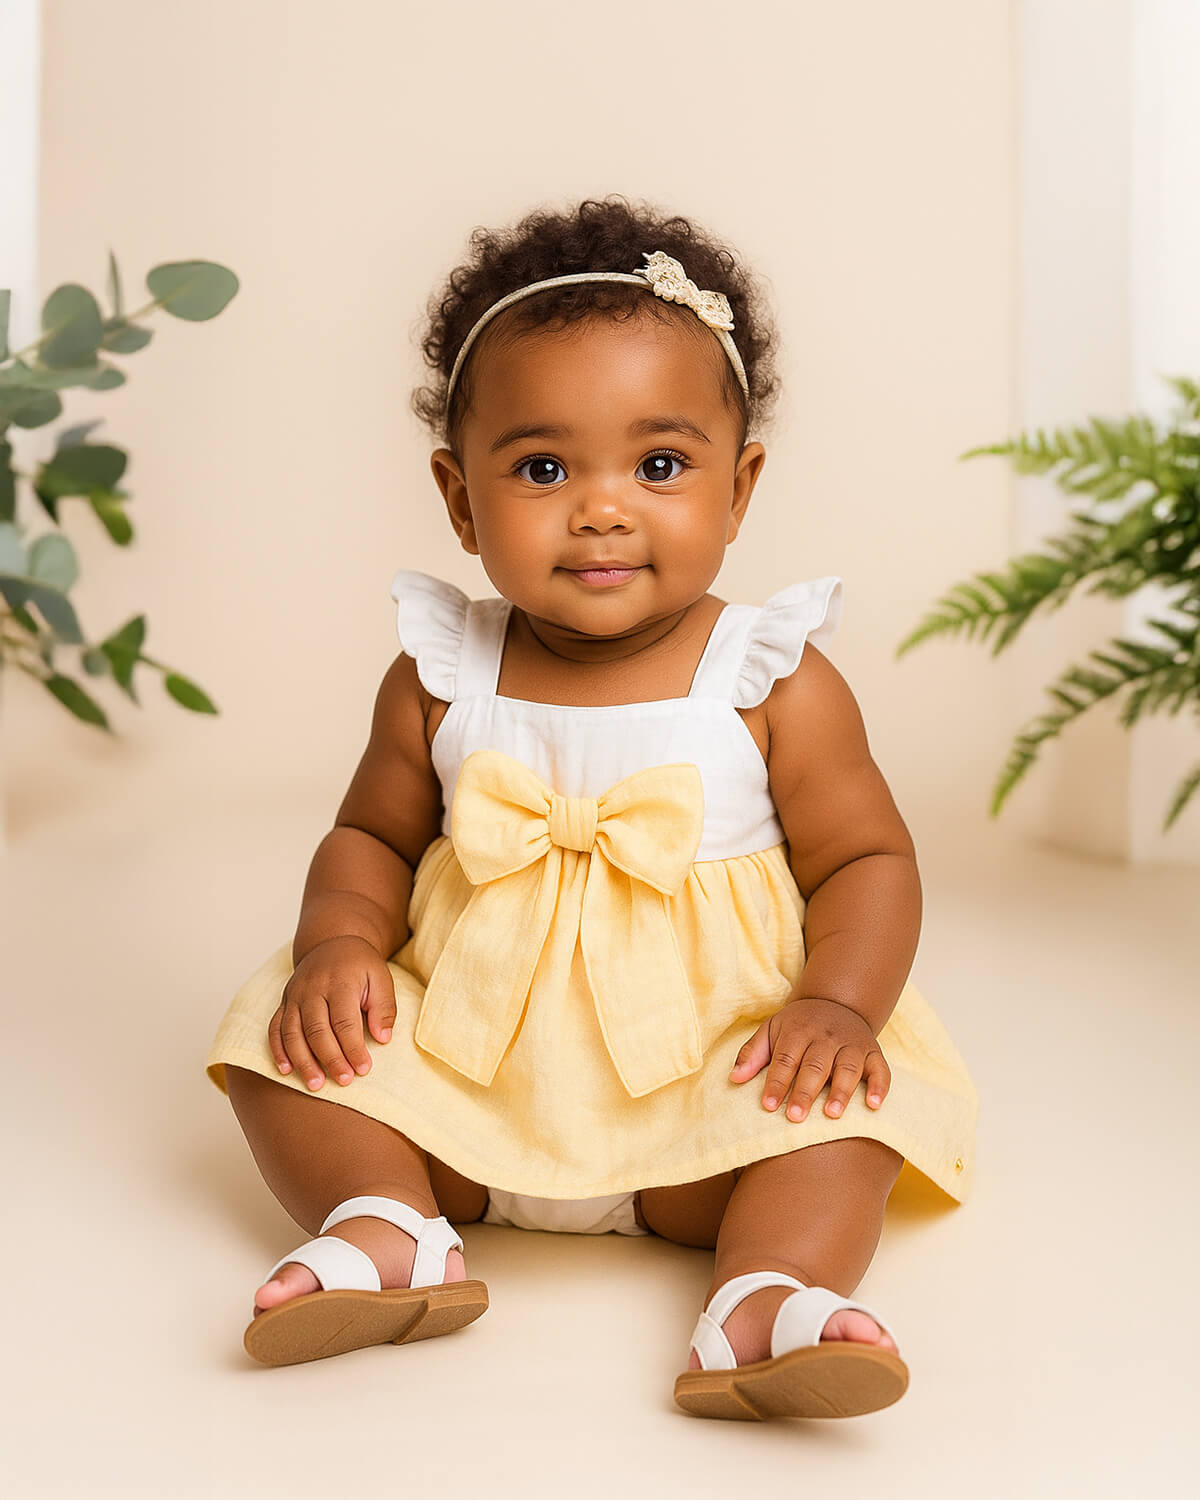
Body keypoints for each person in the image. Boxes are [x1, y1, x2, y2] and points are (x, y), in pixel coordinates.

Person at [204, 194, 978, 1420]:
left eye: (660, 465)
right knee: (273, 1045)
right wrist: (339, 949)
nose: (603, 507)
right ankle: (389, 1220)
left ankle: (767, 1296)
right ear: (461, 502)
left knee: (843, 1118)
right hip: (474, 1077)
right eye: (544, 467)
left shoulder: (772, 678)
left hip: (706, 1086)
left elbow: (868, 858)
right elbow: (368, 836)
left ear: (740, 486)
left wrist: (837, 1004)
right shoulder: (441, 672)